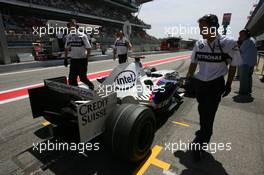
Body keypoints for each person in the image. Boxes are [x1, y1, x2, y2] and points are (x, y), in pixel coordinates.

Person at [186, 14, 241, 161]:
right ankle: (203, 131)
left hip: (215, 84)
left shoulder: (229, 43)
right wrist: (188, 78)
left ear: (213, 27)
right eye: (200, 28)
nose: (200, 31)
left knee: (209, 113)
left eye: (203, 28)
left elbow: (233, 65)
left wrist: (229, 84)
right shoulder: (199, 43)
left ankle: (202, 143)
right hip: (200, 84)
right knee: (202, 110)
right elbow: (193, 62)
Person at [64, 19, 94, 90]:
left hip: (82, 60)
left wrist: (86, 58)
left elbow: (89, 48)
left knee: (83, 78)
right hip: (73, 60)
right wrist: (65, 59)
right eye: (70, 25)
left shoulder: (83, 36)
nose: (71, 27)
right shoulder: (68, 36)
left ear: (76, 26)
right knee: (71, 79)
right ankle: (76, 94)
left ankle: (91, 87)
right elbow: (66, 48)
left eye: (73, 25)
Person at [238, 29, 257, 96]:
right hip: (252, 63)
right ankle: (248, 90)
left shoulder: (246, 42)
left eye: (242, 35)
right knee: (249, 77)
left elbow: (240, 51)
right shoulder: (252, 39)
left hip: (245, 63)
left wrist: (237, 46)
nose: (240, 37)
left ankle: (243, 92)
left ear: (246, 35)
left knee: (243, 79)